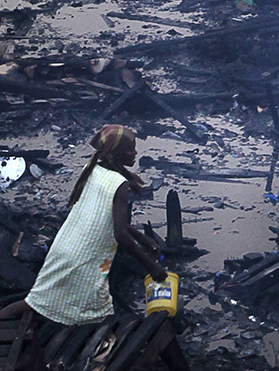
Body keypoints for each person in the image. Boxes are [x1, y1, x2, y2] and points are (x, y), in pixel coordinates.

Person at [10, 125, 166, 369]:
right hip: (84, 258)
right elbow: (120, 234)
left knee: (40, 302)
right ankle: (98, 359)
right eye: (130, 149)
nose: (135, 153)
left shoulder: (93, 168)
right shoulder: (120, 183)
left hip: (68, 246)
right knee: (88, 312)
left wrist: (143, 238)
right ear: (117, 153)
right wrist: (152, 268)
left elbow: (113, 220)